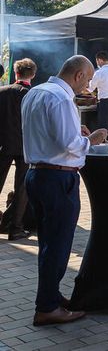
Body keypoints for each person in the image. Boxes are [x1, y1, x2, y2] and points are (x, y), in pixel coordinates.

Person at [22, 55, 108, 326]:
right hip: (57, 178)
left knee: (49, 244)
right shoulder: (61, 97)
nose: (88, 85)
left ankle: (50, 296)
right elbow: (67, 143)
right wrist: (90, 139)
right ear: (78, 75)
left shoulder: (35, 92)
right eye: (88, 78)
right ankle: (47, 307)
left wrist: (76, 133)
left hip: (36, 174)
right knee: (58, 245)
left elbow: (48, 134)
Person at [0, 58, 37, 240]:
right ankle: (15, 228)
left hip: (3, 145)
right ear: (33, 75)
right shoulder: (33, 94)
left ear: (15, 73)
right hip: (25, 147)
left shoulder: (2, 92)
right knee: (22, 188)